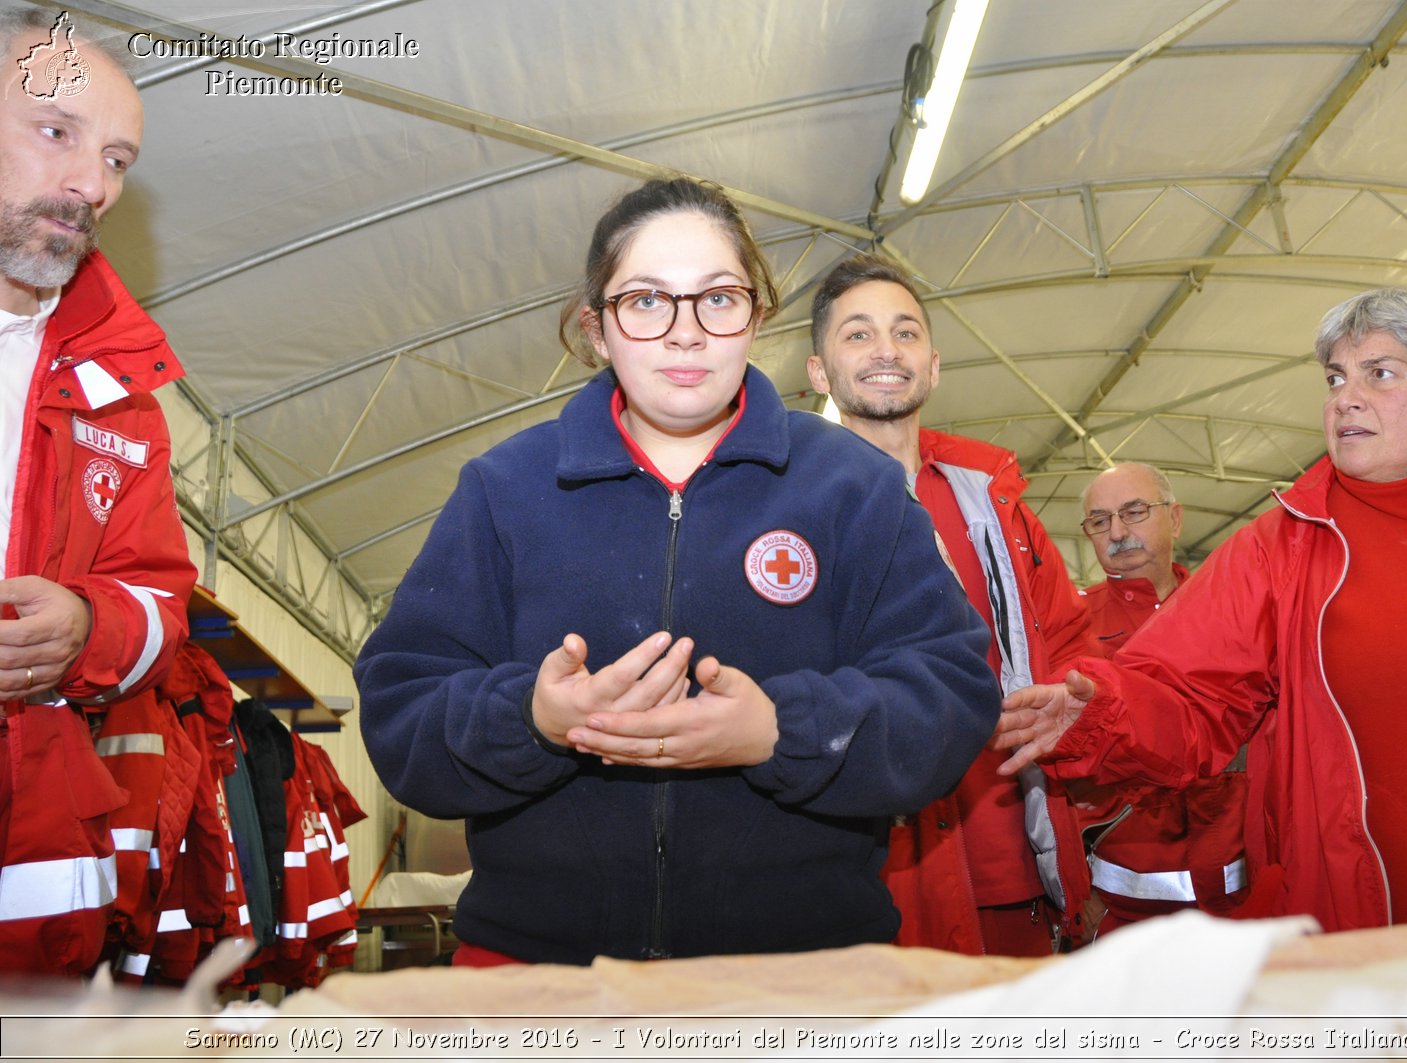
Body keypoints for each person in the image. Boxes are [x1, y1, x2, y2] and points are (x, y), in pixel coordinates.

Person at [355, 178, 999, 966]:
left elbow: (951, 692)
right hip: (543, 982)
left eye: (718, 299)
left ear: (756, 314)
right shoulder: (504, 489)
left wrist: (779, 732)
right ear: (597, 328)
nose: (686, 333)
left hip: (806, 981)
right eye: (647, 301)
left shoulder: (853, 486)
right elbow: (401, 707)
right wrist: (533, 718)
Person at [996, 287, 1407, 932]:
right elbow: (1185, 693)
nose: (1345, 397)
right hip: (1375, 928)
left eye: (1380, 373)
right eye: (1336, 378)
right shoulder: (1279, 549)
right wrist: (1101, 715)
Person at [805, 253, 1096, 956]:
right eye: (858, 334)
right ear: (820, 373)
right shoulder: (788, 513)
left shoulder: (993, 507)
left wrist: (1080, 702)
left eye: (905, 333)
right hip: (867, 879)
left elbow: (1070, 643)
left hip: (1008, 859)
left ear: (932, 366)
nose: (885, 350)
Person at [0, 8, 197, 975]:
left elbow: (162, 601)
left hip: (34, 880)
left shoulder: (120, 393)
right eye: (55, 132)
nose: (93, 184)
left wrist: (88, 624)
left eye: (118, 159)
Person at [1073, 462, 1248, 935]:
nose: (1117, 532)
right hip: (1122, 904)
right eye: (1100, 521)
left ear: (1174, 519)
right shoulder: (1069, 627)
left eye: (1133, 512)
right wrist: (1076, 889)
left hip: (1241, 886)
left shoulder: (1230, 609)